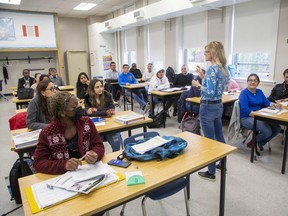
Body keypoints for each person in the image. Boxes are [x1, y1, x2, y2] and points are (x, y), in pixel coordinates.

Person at [33, 91, 105, 174]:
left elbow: (98, 145)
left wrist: (95, 153)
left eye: (78, 103)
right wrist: (64, 165)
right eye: (74, 107)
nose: (79, 108)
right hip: (62, 177)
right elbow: (38, 162)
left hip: (87, 171)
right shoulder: (47, 132)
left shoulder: (87, 122)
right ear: (62, 113)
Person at [192, 41, 230, 181]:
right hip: (218, 105)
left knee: (209, 141)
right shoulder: (224, 68)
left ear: (213, 52)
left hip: (207, 106)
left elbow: (209, 91)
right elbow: (221, 88)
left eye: (206, 51)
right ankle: (222, 164)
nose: (205, 54)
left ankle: (211, 172)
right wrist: (203, 76)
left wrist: (198, 84)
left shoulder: (213, 69)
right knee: (219, 136)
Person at [239, 73, 281, 153]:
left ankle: (257, 143)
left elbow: (266, 102)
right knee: (267, 131)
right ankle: (256, 143)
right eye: (250, 80)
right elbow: (245, 109)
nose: (252, 82)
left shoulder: (259, 91)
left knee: (277, 128)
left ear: (258, 82)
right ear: (247, 82)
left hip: (259, 116)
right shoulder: (244, 93)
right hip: (246, 117)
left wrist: (274, 104)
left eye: (255, 80)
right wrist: (258, 115)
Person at [84, 79, 122, 152]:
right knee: (98, 147)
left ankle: (116, 158)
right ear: (92, 88)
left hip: (109, 123)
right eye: (97, 87)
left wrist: (96, 111)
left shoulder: (107, 95)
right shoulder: (87, 97)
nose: (100, 89)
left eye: (101, 86)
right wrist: (105, 112)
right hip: (96, 125)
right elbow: (88, 113)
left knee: (116, 143)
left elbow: (112, 110)